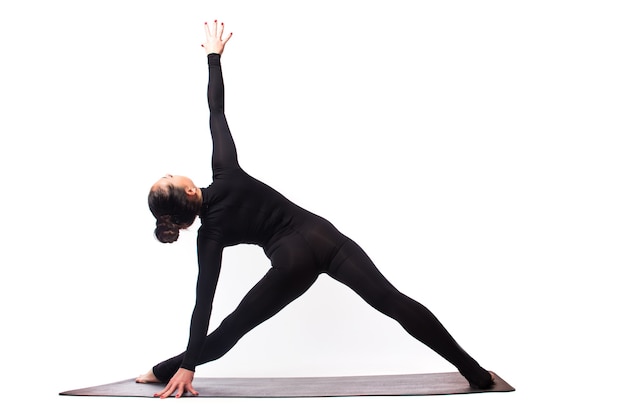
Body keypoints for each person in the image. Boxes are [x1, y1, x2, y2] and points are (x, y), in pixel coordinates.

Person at [136, 20, 494, 398]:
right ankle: (474, 372)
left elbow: (202, 305)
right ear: (189, 189)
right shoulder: (226, 170)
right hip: (324, 237)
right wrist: (213, 58)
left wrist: (188, 365)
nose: (169, 171)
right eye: (169, 177)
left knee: (230, 331)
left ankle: (163, 371)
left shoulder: (209, 236)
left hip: (292, 263)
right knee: (391, 300)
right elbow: (216, 111)